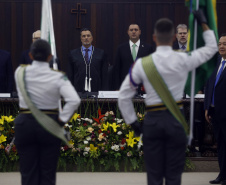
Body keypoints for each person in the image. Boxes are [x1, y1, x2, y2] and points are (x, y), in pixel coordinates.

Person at [118, 13, 218, 185]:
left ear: (154, 37)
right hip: (176, 121)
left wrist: (133, 123)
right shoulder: (183, 58)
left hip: (152, 122)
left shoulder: (142, 64)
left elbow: (123, 96)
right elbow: (211, 48)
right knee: (173, 177)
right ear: (173, 37)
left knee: (154, 177)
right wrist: (203, 22)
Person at [14, 39, 81, 185]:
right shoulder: (58, 76)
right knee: (47, 174)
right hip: (50, 124)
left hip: (25, 123)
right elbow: (74, 100)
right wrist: (62, 120)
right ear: (50, 57)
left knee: (27, 173)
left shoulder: (20, 72)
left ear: (30, 55)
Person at [204, 33, 226, 185]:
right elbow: (209, 86)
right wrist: (207, 107)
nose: (221, 46)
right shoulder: (216, 62)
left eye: (225, 44)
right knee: (221, 146)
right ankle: (222, 175)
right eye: (220, 44)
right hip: (215, 112)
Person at [112, 23, 153, 90]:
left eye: (136, 30)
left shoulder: (147, 48)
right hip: (125, 86)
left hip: (143, 87)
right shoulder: (121, 48)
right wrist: (117, 88)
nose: (133, 32)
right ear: (128, 32)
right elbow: (117, 70)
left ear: (139, 32)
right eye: (131, 30)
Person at [67, 28, 108, 92]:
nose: (86, 38)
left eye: (88, 36)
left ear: (92, 38)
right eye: (84, 36)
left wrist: (104, 91)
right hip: (78, 90)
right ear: (80, 38)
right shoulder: (73, 54)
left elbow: (104, 74)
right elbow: (70, 74)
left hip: (96, 89)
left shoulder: (101, 53)